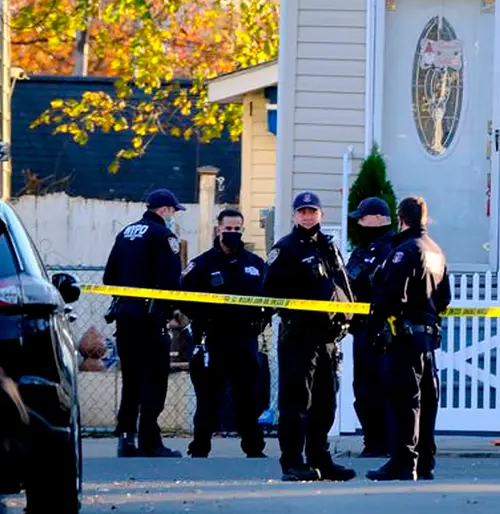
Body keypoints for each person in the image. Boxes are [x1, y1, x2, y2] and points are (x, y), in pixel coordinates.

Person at [263, 191, 356, 482]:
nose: (307, 216)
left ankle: (320, 459)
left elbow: (341, 284)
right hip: (298, 336)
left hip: (327, 338)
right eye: (302, 212)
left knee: (325, 403)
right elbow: (269, 293)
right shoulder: (285, 249)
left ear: (320, 215)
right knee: (296, 402)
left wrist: (348, 317)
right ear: (294, 215)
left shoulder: (329, 247)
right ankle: (292, 460)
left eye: (312, 211)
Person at [365, 196, 451, 482]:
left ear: (401, 218)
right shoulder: (437, 250)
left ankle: (403, 461)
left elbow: (392, 296)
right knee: (426, 401)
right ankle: (425, 461)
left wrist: (376, 322)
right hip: (427, 337)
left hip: (404, 337)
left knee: (404, 400)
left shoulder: (405, 250)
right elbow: (445, 298)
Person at [103, 188, 185, 458]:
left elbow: (109, 277)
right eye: (173, 211)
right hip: (151, 318)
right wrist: (172, 309)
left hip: (125, 315)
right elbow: (171, 282)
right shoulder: (164, 235)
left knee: (131, 379)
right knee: (154, 378)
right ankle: (150, 440)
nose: (173, 216)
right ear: (163, 210)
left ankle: (126, 438)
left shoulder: (126, 233)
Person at [181, 208, 269, 459]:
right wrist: (204, 317)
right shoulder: (202, 264)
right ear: (218, 228)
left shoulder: (255, 264)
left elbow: (271, 298)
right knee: (209, 397)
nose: (232, 233)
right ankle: (200, 447)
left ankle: (253, 448)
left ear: (242, 230)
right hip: (213, 340)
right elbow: (183, 297)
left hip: (245, 340)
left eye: (236, 229)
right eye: (227, 229)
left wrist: (261, 319)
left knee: (248, 397)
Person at [345, 197, 396, 458]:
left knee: (382, 387)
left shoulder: (392, 250)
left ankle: (385, 440)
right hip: (362, 330)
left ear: (376, 219)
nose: (358, 224)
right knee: (363, 388)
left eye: (362, 218)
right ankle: (372, 438)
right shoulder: (362, 251)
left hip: (385, 331)